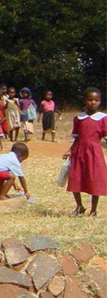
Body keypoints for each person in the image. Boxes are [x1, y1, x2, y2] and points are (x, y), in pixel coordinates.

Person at [63, 87, 106, 217]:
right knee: (76, 178)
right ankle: (79, 206)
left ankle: (93, 209)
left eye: (96, 100)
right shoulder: (78, 118)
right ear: (84, 101)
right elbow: (76, 138)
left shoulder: (103, 118)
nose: (93, 102)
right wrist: (70, 150)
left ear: (100, 102)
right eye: (90, 99)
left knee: (95, 179)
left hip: (94, 152)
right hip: (79, 152)